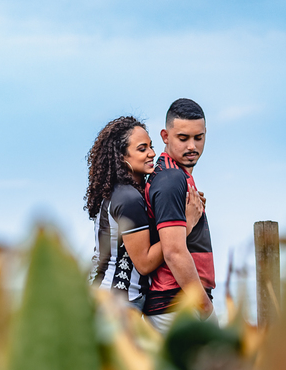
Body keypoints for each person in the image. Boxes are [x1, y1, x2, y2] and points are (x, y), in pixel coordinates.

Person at [85, 116, 203, 310]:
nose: (152, 153)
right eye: (142, 149)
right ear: (121, 156)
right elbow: (145, 263)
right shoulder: (129, 199)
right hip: (118, 303)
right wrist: (187, 223)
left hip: (104, 297)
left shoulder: (117, 192)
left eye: (151, 146)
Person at [143, 98, 214, 332]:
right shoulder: (171, 179)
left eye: (198, 137)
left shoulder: (176, 175)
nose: (192, 146)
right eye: (183, 138)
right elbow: (174, 252)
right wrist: (206, 309)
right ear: (165, 136)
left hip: (179, 303)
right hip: (177, 305)